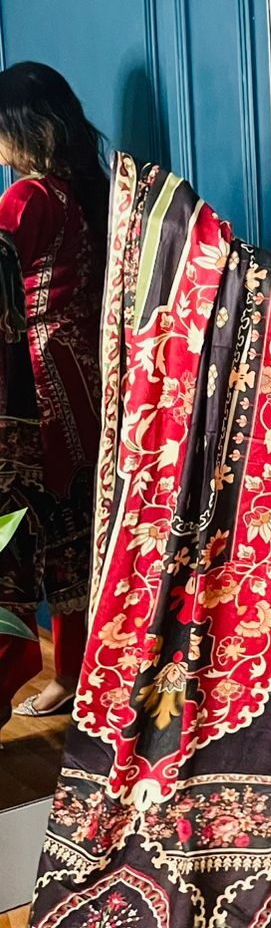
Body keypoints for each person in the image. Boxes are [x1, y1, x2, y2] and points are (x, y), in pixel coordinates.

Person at [0, 62, 107, 731]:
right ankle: (72, 675)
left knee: (18, 533)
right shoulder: (87, 192)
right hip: (87, 379)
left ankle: (40, 672)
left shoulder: (27, 198)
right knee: (74, 530)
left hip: (33, 381)